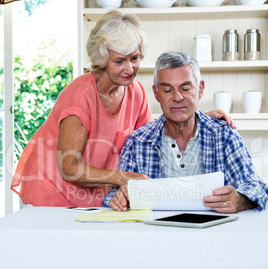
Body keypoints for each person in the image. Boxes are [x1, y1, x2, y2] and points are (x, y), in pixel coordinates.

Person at [11, 11, 234, 207]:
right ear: (102, 59)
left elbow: (151, 135)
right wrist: (121, 177)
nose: (129, 69)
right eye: (119, 61)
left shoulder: (135, 92)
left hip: (93, 196)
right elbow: (69, 167)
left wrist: (193, 116)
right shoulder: (80, 96)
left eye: (134, 58)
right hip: (52, 191)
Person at [103, 51, 268, 213]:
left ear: (201, 89)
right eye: (168, 90)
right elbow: (111, 197)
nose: (177, 97)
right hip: (154, 237)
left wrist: (240, 200)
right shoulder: (137, 142)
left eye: (186, 88)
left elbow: (257, 189)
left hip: (213, 236)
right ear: (156, 94)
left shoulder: (224, 136)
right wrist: (119, 199)